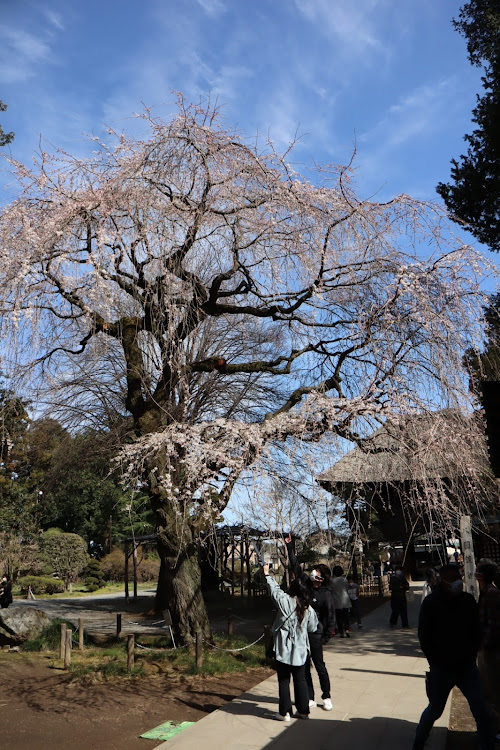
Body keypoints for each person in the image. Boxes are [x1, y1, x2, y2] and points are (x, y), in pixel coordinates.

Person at [412, 563, 494, 750]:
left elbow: (477, 629)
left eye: (459, 578)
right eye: (453, 579)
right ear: (443, 580)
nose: (457, 582)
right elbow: (424, 635)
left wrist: (472, 651)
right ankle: (418, 743)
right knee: (434, 710)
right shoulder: (431, 603)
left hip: (466, 666)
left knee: (480, 709)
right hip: (441, 668)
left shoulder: (467, 600)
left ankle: (486, 745)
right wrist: (434, 660)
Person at [263, 562, 318, 722]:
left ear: (292, 590)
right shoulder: (308, 608)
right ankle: (303, 711)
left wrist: (267, 574)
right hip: (300, 652)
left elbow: (274, 591)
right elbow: (313, 628)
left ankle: (285, 712)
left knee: (284, 681)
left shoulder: (284, 602)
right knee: (300, 680)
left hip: (283, 650)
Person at [285, 535, 334, 711]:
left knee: (319, 665)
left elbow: (330, 616)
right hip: (302, 632)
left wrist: (325, 636)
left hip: (316, 634)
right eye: (313, 572)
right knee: (304, 665)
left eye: (316, 574)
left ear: (322, 579)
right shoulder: (305, 583)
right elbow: (295, 566)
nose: (312, 574)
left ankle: (326, 695)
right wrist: (290, 547)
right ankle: (310, 696)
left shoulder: (326, 595)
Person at [476, 558, 500, 742]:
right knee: (487, 687)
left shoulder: (492, 593)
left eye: (478, 571)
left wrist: (483, 644)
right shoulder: (485, 592)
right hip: (486, 647)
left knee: (493, 687)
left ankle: (496, 729)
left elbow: (492, 624)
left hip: (491, 649)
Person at [330, 566, 351, 637]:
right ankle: (347, 630)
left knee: (339, 617)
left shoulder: (332, 581)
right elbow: (347, 588)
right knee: (346, 617)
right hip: (345, 600)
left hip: (336, 601)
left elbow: (331, 590)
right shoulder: (344, 580)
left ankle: (341, 632)